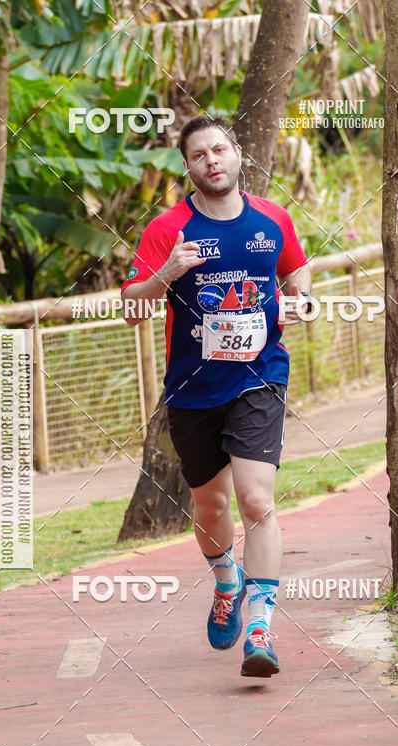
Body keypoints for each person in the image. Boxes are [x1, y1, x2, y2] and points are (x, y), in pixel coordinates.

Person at [122, 114, 311, 677]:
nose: (213, 160)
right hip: (192, 389)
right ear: (189, 166)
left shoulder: (272, 218)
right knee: (212, 505)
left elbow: (297, 271)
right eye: (200, 154)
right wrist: (167, 273)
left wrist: (301, 299)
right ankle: (226, 584)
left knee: (257, 501)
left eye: (220, 149)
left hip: (259, 376)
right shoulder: (167, 230)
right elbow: (133, 304)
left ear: (236, 155)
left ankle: (261, 632)